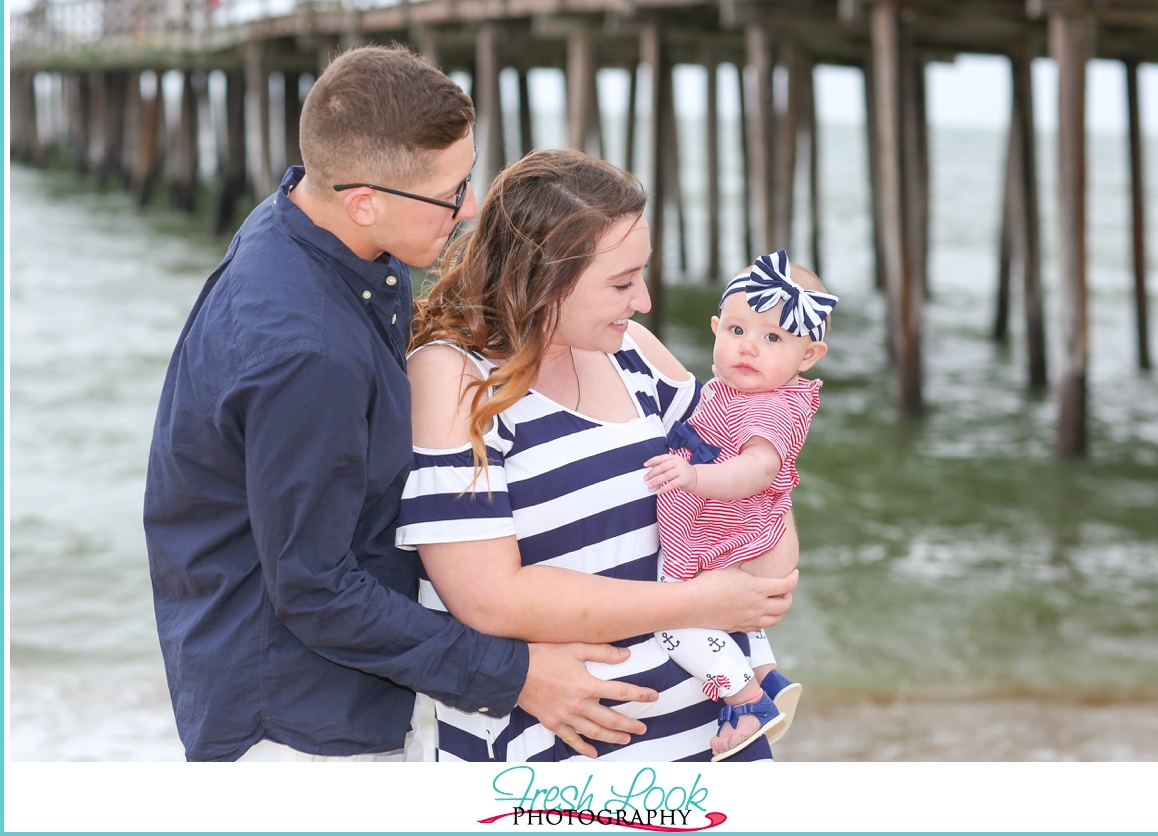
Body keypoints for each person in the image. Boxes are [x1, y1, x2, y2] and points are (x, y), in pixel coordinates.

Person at [144, 46, 778, 762]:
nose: (472, 206)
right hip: (296, 731)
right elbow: (316, 589)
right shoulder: (307, 348)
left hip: (328, 702)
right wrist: (515, 674)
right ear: (364, 199)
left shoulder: (321, 241)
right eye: (451, 192)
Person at [398, 149, 799, 762]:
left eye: (642, 274)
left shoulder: (635, 352)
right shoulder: (457, 378)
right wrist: (701, 602)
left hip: (713, 740)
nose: (642, 300)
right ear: (545, 275)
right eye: (621, 282)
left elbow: (759, 483)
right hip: (559, 760)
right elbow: (487, 598)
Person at [642, 249, 837, 760]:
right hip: (732, 532)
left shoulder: (774, 406)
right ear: (715, 328)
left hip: (729, 535)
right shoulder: (737, 390)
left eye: (773, 338)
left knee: (674, 622)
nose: (748, 348)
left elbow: (760, 470)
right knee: (729, 613)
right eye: (736, 331)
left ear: (807, 356)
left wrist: (694, 475)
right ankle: (768, 676)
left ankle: (746, 702)